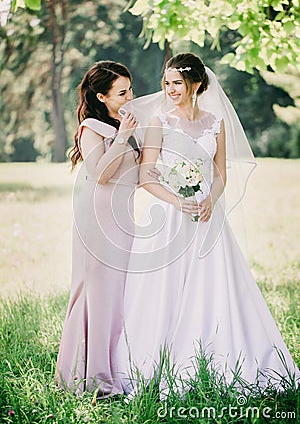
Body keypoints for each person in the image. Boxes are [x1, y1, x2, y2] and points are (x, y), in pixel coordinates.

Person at [117, 53, 299, 398]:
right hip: (171, 216)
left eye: (177, 83)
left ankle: (216, 353)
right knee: (163, 291)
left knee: (215, 288)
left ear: (197, 84)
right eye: (166, 83)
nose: (170, 89)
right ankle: (153, 361)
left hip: (205, 218)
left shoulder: (215, 122)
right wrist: (177, 200)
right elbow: (146, 176)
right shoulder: (160, 120)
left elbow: (220, 173)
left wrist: (209, 200)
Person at [56, 60, 140, 398]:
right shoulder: (92, 127)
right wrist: (123, 138)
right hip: (98, 216)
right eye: (122, 93)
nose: (129, 97)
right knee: (97, 290)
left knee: (119, 291)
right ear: (102, 96)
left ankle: (119, 365)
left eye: (130, 89)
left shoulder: (127, 124)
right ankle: (90, 374)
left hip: (124, 216)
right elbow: (102, 174)